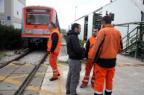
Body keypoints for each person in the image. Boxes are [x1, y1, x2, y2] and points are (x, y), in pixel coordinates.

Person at [89, 15, 123, 95]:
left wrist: (93, 59)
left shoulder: (102, 31)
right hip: (112, 61)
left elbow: (96, 48)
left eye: (101, 21)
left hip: (101, 62)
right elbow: (120, 48)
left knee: (99, 81)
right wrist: (113, 52)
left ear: (104, 22)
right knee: (109, 80)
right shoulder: (118, 32)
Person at [66, 23, 85, 95]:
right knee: (75, 78)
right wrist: (83, 49)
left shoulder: (70, 35)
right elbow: (77, 49)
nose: (80, 30)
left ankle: (68, 90)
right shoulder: (74, 37)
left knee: (70, 75)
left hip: (71, 59)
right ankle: (73, 93)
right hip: (75, 60)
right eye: (79, 28)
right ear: (75, 28)